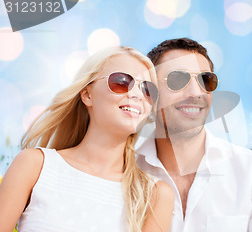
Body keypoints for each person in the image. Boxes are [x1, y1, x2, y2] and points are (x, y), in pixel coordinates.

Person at [0, 46, 174, 232]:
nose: (137, 95)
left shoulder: (155, 194)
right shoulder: (34, 165)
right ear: (87, 95)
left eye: (147, 90)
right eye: (122, 81)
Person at [135, 38, 252, 232]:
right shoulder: (125, 172)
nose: (195, 92)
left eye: (205, 80)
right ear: (149, 92)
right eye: (177, 80)